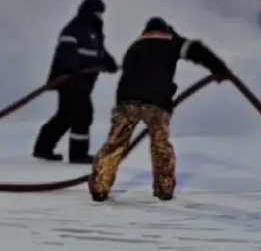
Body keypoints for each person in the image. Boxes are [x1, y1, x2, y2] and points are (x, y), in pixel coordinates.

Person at [87, 17, 230, 202]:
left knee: (115, 144)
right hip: (156, 103)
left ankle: (100, 186)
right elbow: (197, 50)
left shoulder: (134, 47)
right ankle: (164, 189)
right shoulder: (170, 43)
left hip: (127, 102)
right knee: (160, 145)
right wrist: (219, 68)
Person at [32, 0, 118, 164]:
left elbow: (99, 52)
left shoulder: (94, 32)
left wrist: (109, 62)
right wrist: (73, 68)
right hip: (69, 81)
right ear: (89, 12)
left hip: (82, 83)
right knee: (82, 114)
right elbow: (67, 50)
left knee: (66, 115)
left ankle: (43, 147)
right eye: (98, 13)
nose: (100, 17)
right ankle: (78, 154)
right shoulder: (75, 28)